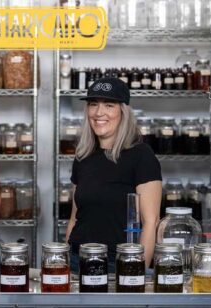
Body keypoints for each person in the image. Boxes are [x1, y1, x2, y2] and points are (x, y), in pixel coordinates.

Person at [65, 77, 162, 272]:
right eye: (93, 105)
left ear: (123, 112)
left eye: (109, 105)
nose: (99, 113)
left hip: (118, 262)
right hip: (77, 258)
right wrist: (66, 257)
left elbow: (151, 222)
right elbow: (75, 218)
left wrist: (136, 271)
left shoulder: (141, 155)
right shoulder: (83, 155)